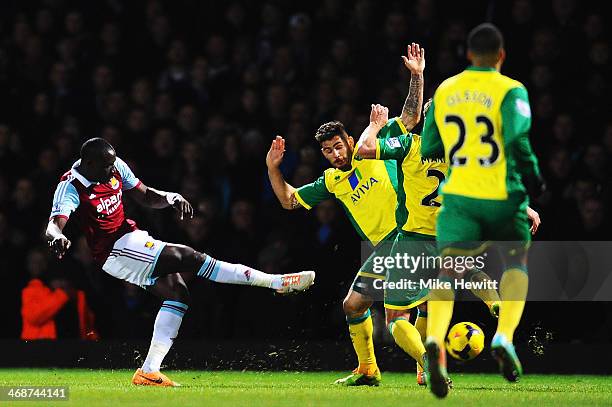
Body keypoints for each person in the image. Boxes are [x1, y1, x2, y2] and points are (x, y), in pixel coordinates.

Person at [46, 138, 315, 387]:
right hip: (114, 251)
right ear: (89, 163)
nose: (111, 170)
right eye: (106, 166)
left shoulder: (113, 166)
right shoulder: (71, 186)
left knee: (178, 293)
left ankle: (149, 371)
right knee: (188, 257)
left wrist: (170, 197)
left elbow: (144, 194)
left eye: (112, 164)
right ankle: (276, 282)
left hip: (130, 238)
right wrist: (57, 236)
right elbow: (54, 225)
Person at [419, 23, 544, 398]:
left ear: (468, 55)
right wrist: (535, 179)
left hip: (459, 199)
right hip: (503, 195)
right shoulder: (511, 89)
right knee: (515, 263)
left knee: (448, 270)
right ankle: (504, 337)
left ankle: (436, 340)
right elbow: (517, 140)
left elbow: (429, 148)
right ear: (501, 55)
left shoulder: (446, 90)